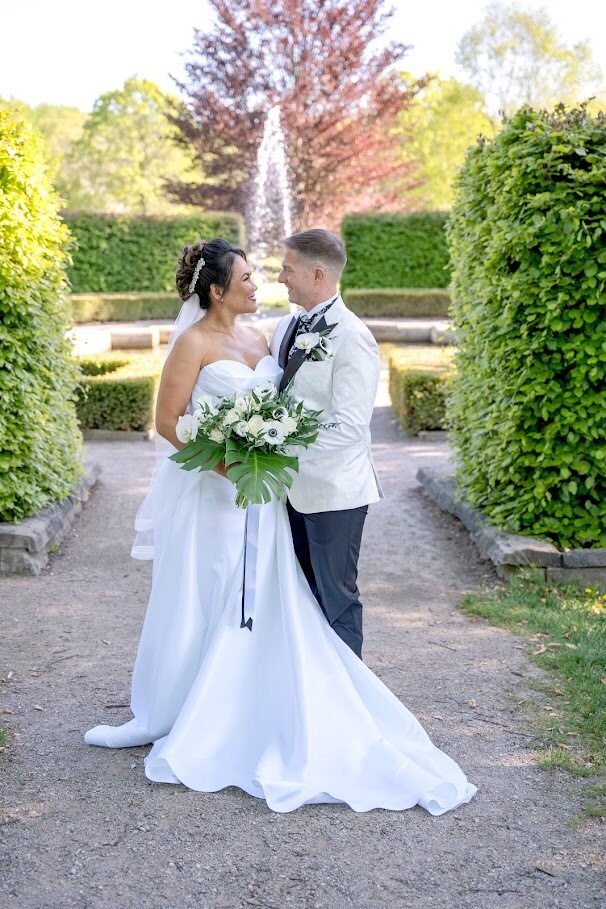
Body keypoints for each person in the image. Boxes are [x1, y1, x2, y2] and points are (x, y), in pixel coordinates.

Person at [84, 236, 477, 815]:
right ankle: (176, 709)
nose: (261, 282)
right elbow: (169, 423)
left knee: (277, 599)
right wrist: (234, 468)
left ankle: (290, 705)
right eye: (246, 276)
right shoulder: (196, 342)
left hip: (268, 496)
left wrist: (265, 461)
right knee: (207, 594)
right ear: (216, 290)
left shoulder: (267, 335)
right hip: (221, 494)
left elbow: (298, 412)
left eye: (271, 272)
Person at [271, 229, 382, 659]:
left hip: (335, 493)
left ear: (317, 274)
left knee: (336, 598)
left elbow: (350, 427)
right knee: (300, 596)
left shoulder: (353, 336)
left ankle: (349, 702)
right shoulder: (287, 326)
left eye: (287, 269)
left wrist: (280, 445)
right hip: (289, 491)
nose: (281, 277)